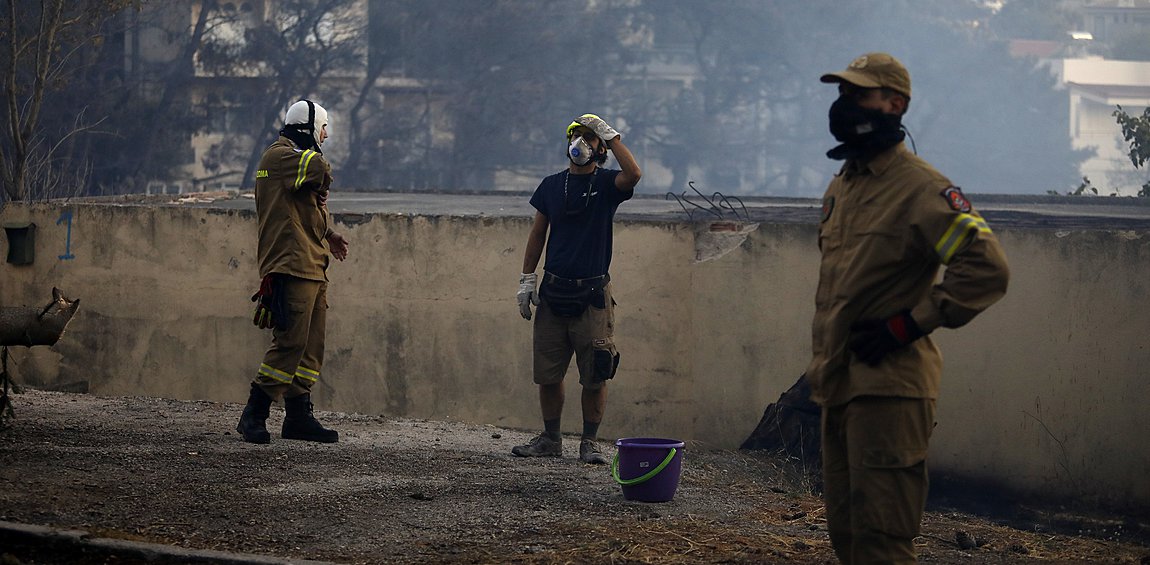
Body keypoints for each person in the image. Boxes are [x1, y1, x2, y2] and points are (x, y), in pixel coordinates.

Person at [807, 53, 1010, 563]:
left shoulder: (921, 188)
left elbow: (986, 267)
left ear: (895, 104)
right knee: (848, 539)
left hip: (890, 392)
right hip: (839, 387)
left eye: (860, 93)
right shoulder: (843, 187)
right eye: (843, 93)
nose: (846, 104)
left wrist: (908, 325)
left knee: (882, 543)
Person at [513, 114, 641, 464]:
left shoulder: (607, 185)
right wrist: (527, 278)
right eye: (577, 136)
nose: (581, 143)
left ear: (599, 148)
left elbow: (635, 175)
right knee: (549, 373)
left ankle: (589, 443)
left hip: (592, 297)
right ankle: (551, 439)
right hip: (554, 292)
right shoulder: (552, 186)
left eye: (589, 138)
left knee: (596, 373)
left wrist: (611, 136)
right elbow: (538, 233)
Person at [237, 99, 350, 444]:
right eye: (324, 128)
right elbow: (322, 171)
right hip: (292, 263)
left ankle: (298, 416)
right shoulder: (281, 156)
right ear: (310, 126)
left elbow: (303, 207)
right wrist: (321, 183)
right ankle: (254, 414)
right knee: (290, 343)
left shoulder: (293, 162)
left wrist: (329, 234)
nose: (326, 135)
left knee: (311, 346)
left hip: (312, 262)